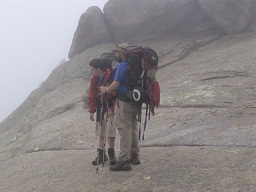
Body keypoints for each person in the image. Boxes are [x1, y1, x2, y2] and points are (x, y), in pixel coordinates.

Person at [100, 43, 140, 171]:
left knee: (124, 129)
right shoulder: (134, 65)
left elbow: (116, 83)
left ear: (122, 53)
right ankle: (135, 156)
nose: (115, 55)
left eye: (117, 52)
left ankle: (123, 161)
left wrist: (105, 91)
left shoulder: (122, 66)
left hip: (124, 101)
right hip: (135, 100)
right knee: (133, 128)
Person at [88, 58, 117, 166]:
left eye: (92, 69)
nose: (91, 71)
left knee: (110, 131)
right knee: (101, 131)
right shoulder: (94, 79)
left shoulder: (111, 75)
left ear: (98, 69)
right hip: (101, 107)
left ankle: (111, 154)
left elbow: (115, 92)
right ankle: (101, 155)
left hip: (110, 106)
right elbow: (91, 94)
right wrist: (92, 111)